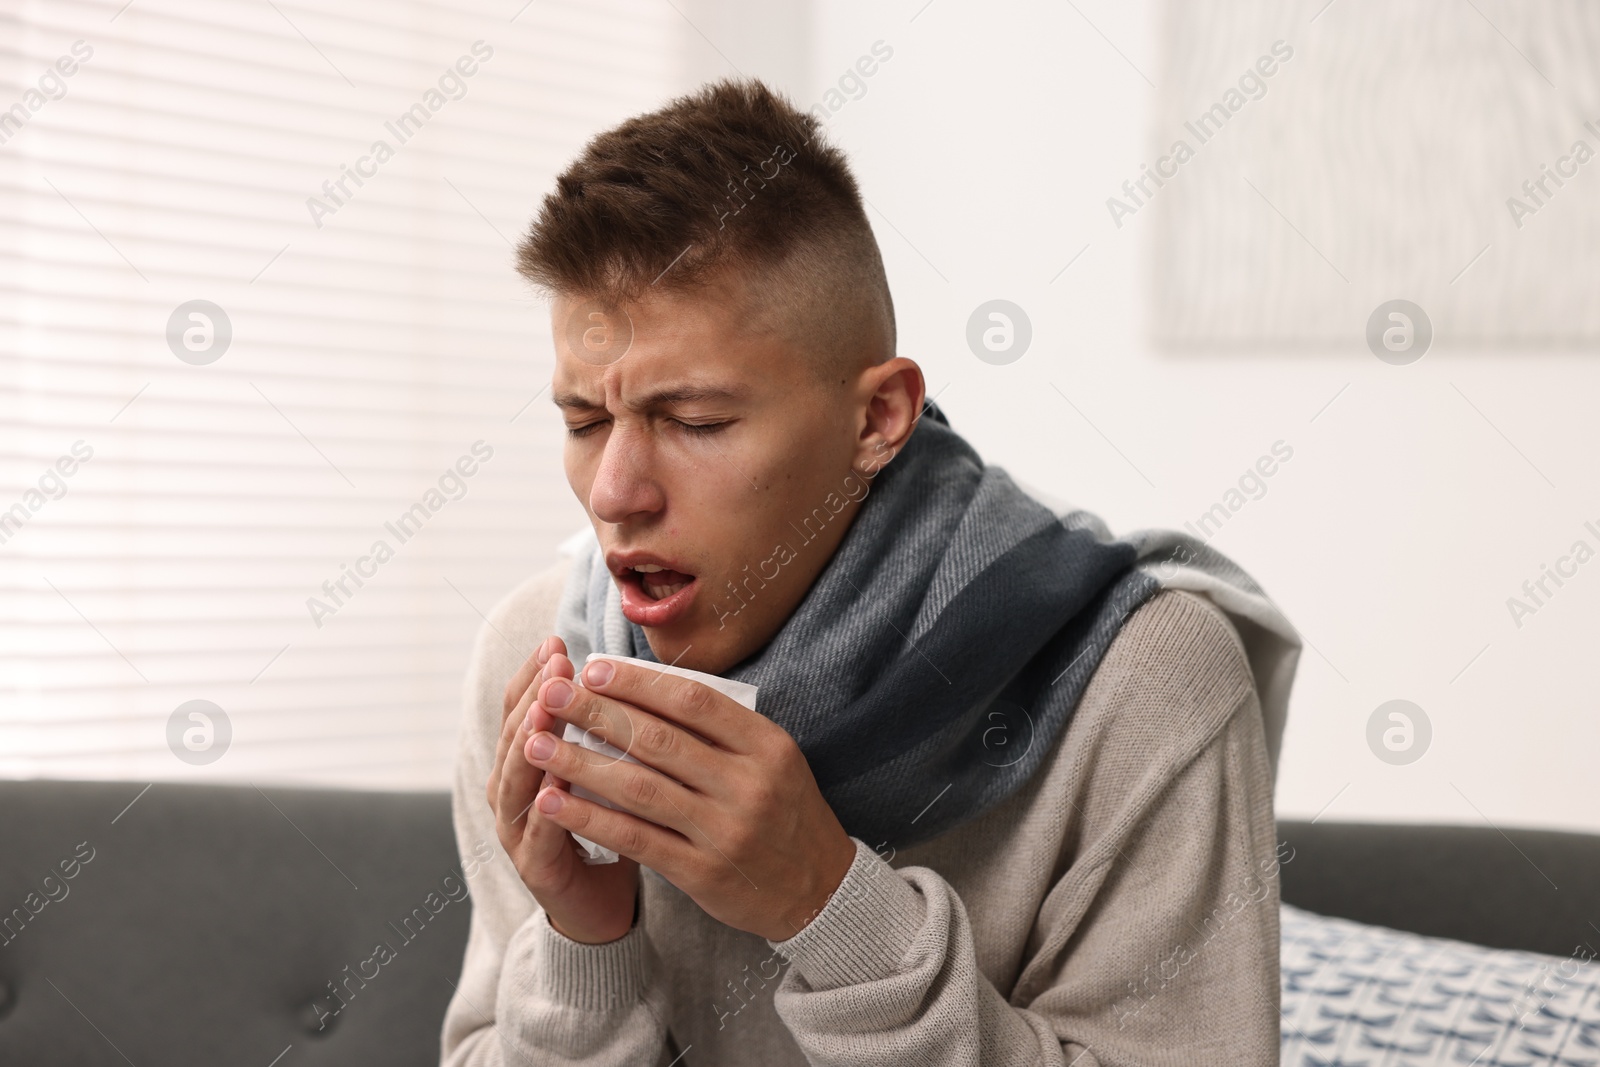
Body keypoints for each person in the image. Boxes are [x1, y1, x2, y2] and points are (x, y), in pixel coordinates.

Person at [441, 77, 1299, 1067]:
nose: (615, 493)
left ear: (875, 418)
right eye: (585, 421)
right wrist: (586, 947)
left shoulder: (1139, 680)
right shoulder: (538, 654)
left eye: (696, 422)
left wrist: (826, 905)